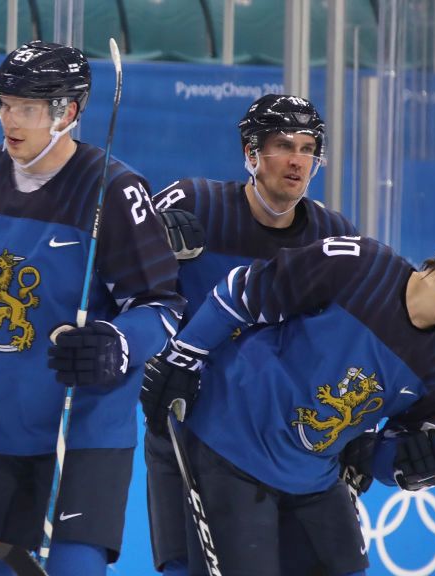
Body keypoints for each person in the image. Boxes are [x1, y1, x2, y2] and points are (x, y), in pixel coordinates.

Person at [0, 40, 184, 576]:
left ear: (66, 113)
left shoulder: (115, 190)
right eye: (3, 103)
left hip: (81, 434)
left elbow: (160, 307)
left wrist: (117, 343)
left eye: (26, 108)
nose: (9, 120)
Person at [140, 216, 435, 576]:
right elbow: (242, 292)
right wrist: (184, 356)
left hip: (314, 478)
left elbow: (377, 454)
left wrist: (409, 464)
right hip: (231, 444)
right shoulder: (358, 265)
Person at [143, 93, 357, 576]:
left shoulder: (332, 235)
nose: (298, 160)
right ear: (250, 153)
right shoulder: (191, 204)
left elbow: (349, 339)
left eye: (308, 148)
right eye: (284, 145)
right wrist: (149, 241)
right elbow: (129, 286)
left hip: (282, 442)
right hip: (189, 424)